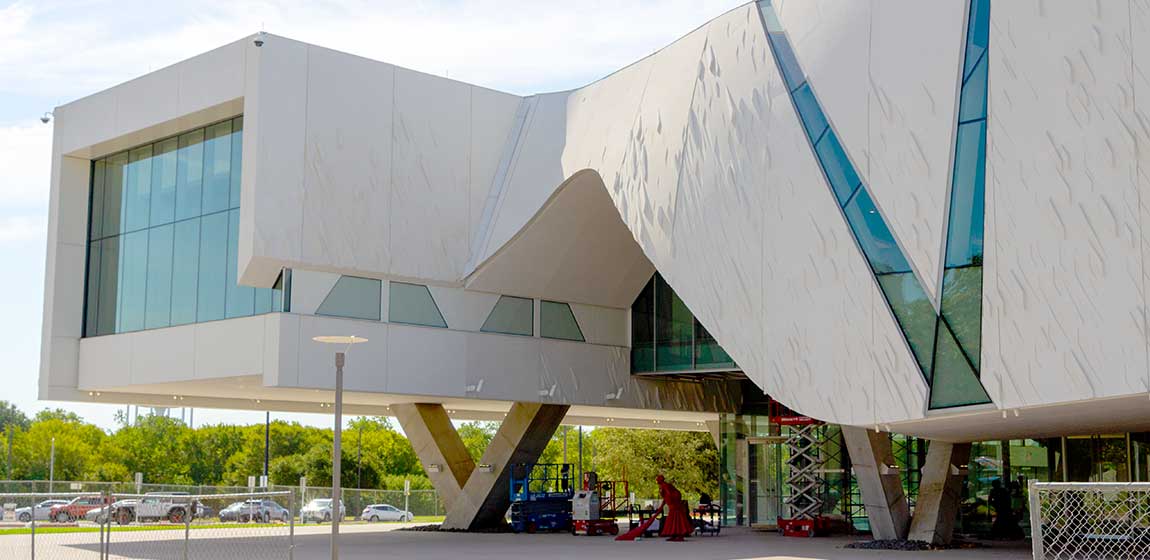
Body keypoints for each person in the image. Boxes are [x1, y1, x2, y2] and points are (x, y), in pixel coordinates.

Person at [656, 474, 693, 541]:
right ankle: (674, 534)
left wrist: (671, 502)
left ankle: (679, 534)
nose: (656, 481)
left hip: (674, 505)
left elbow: (669, 494)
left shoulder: (665, 485)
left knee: (676, 519)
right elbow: (665, 497)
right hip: (673, 505)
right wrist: (661, 506)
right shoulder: (663, 486)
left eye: (657, 479)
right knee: (673, 519)